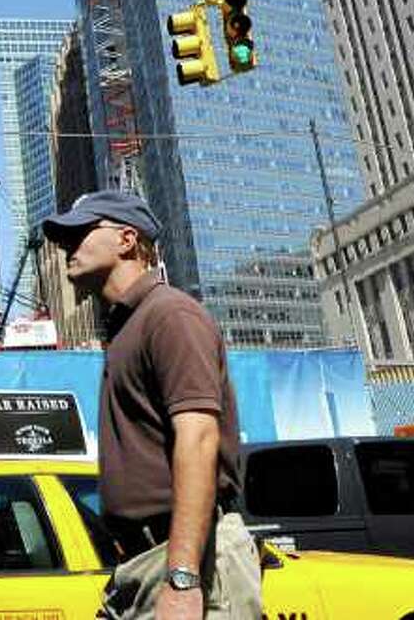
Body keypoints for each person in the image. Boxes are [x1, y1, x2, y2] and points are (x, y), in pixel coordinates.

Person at [40, 190, 260, 620]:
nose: (68, 245)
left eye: (82, 231)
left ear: (126, 240)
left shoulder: (170, 316)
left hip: (188, 560)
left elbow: (197, 439)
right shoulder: (127, 326)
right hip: (144, 562)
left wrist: (182, 579)